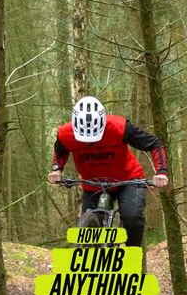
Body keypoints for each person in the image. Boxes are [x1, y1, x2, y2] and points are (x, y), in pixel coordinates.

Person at [48, 96, 168, 247]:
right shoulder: (65, 133)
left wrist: (161, 171)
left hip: (128, 180)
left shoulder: (119, 127)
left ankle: (132, 259)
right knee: (89, 234)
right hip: (93, 184)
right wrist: (56, 169)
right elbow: (60, 152)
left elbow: (154, 144)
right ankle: (92, 265)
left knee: (132, 219)